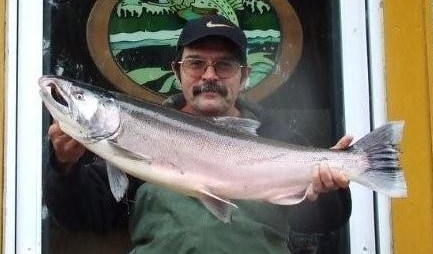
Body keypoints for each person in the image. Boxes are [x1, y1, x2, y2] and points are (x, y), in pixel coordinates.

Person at [44, 15, 352, 253]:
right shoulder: (137, 134)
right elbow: (83, 215)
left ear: (243, 76)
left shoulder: (278, 139)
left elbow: (325, 220)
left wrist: (330, 190)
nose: (209, 75)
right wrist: (64, 167)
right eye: (196, 63)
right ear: (177, 71)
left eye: (224, 65)